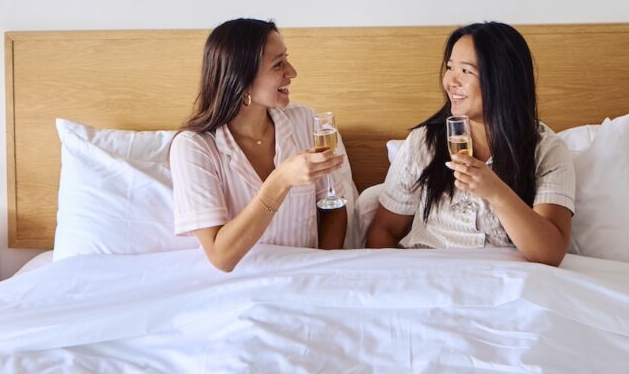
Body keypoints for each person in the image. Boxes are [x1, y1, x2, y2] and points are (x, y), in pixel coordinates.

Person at [367, 21, 573, 263]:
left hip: (506, 282)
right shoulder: (424, 142)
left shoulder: (547, 149)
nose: (451, 81)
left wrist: (496, 193)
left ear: (502, 80)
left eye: (466, 71)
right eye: (450, 67)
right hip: (430, 276)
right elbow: (385, 230)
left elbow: (550, 253)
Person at [170, 18, 350, 270]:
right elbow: (221, 257)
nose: (292, 72)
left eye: (286, 59)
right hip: (238, 283)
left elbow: (333, 207)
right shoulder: (194, 147)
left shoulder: (305, 121)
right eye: (278, 65)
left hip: (306, 276)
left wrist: (320, 267)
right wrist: (280, 181)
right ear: (240, 77)